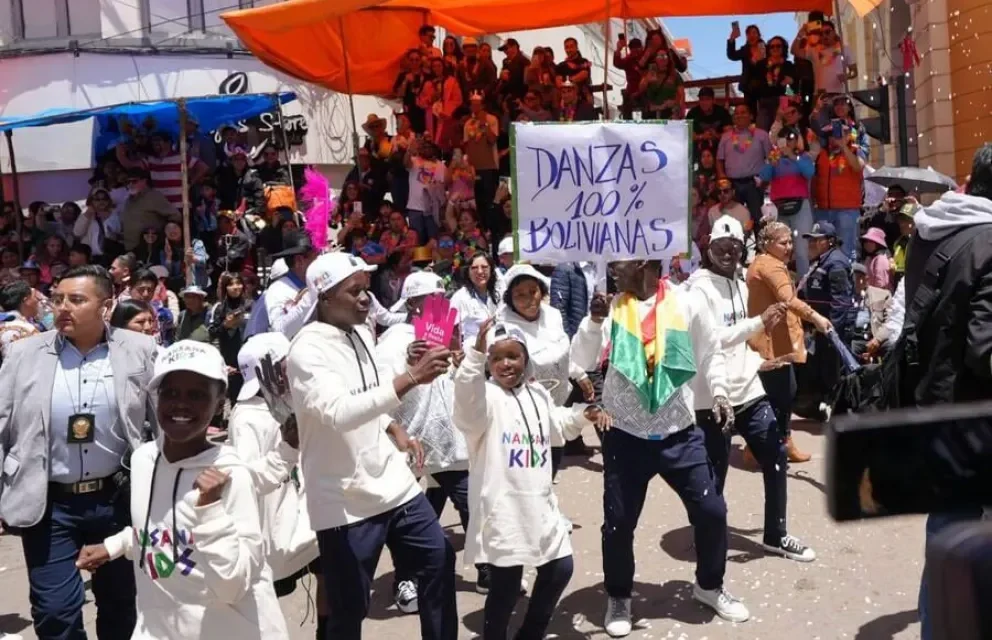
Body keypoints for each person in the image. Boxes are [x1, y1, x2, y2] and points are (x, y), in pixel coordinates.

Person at [571, 260, 750, 636]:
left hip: (680, 433)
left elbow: (710, 352)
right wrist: (592, 323)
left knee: (712, 511)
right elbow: (582, 362)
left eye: (621, 263)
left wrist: (719, 392)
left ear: (647, 263)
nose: (613, 269)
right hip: (625, 435)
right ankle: (619, 595)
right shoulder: (613, 309)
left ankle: (709, 586)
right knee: (618, 524)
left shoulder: (687, 303)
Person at [286, 252, 457, 639]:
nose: (366, 299)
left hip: (391, 483)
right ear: (325, 297)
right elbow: (339, 411)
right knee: (349, 609)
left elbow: (368, 392)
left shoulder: (363, 332)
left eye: (367, 289)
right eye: (354, 291)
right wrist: (411, 378)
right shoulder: (306, 350)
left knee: (439, 559)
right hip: (343, 501)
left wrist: (393, 428)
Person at [74, 340, 289, 640]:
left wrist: (209, 509)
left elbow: (233, 585)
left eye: (197, 395)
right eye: (170, 392)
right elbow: (160, 527)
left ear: (219, 403)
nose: (181, 404)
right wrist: (116, 545)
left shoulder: (230, 474)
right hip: (157, 628)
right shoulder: (143, 460)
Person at [0, 265, 159, 640]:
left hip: (118, 497)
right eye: (57, 299)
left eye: (76, 299)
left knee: (121, 604)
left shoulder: (140, 349)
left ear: (106, 306)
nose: (62, 308)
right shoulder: (23, 354)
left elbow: (161, 420)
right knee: (55, 612)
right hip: (48, 502)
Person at [453, 320, 611, 638]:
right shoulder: (485, 398)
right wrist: (473, 357)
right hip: (503, 511)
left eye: (513, 355)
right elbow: (466, 406)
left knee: (559, 568)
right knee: (506, 588)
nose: (505, 364)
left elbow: (556, 425)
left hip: (540, 504)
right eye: (496, 358)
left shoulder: (537, 392)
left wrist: (583, 415)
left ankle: (532, 632)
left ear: (526, 358)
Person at [685, 216, 816, 562]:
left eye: (735, 248)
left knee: (775, 455)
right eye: (720, 247)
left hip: (748, 388)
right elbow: (712, 340)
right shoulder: (697, 290)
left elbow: (747, 339)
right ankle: (708, 540)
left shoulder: (744, 283)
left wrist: (764, 358)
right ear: (708, 248)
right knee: (714, 475)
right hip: (711, 397)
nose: (728, 253)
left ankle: (776, 534)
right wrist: (757, 324)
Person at [902, 146, 992, 640]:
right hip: (975, 417)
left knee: (947, 532)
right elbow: (985, 347)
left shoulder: (931, 232)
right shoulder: (989, 241)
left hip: (935, 403)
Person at [376, 272, 478, 600]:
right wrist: (407, 363)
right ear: (413, 304)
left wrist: (460, 359)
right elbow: (379, 388)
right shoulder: (393, 340)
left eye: (442, 296)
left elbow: (456, 381)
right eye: (431, 298)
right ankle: (406, 578)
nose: (439, 303)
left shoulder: (448, 333)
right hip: (408, 442)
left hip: (448, 440)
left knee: (472, 503)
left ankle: (486, 566)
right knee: (407, 516)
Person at [229, 333, 326, 639]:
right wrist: (285, 448)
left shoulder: (290, 401)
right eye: (286, 363)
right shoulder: (248, 418)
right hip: (275, 523)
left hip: (304, 511)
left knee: (334, 577)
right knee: (267, 603)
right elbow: (247, 479)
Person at [746, 222, 832, 463]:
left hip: (772, 340)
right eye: (782, 243)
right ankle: (763, 447)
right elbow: (787, 298)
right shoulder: (771, 267)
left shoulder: (763, 263)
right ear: (766, 244)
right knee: (782, 395)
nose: (789, 247)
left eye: (790, 242)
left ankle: (776, 443)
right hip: (773, 343)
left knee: (779, 394)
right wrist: (815, 317)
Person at [498, 265, 594, 481]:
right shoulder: (503, 327)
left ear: (542, 291)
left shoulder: (552, 316)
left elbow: (561, 350)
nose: (528, 299)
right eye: (519, 295)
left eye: (533, 291)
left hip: (555, 407)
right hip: (521, 415)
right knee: (526, 479)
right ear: (509, 299)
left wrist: (579, 374)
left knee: (549, 469)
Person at [265, 231, 318, 339]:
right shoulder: (278, 290)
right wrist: (311, 296)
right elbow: (280, 330)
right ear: (299, 260)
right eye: (316, 257)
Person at [450, 252, 499, 342]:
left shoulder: (499, 293)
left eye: (484, 267)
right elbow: (450, 331)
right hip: (471, 352)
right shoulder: (459, 297)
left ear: (491, 270)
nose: (480, 271)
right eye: (474, 268)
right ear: (467, 272)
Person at [0, 280, 41, 358]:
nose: (37, 301)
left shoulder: (4, 324)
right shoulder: (26, 329)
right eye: (35, 297)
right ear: (26, 300)